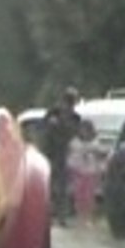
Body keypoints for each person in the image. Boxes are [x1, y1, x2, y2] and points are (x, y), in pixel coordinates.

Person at [41, 87, 82, 225]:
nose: (69, 104)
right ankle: (50, 215)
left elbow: (77, 135)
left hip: (66, 154)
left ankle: (61, 216)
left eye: (72, 101)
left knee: (62, 187)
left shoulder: (75, 118)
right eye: (68, 100)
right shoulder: (54, 113)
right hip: (52, 153)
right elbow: (44, 129)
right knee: (51, 185)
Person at [68, 119, 105, 228]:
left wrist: (96, 155)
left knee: (89, 196)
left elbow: (100, 155)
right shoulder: (74, 142)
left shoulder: (95, 142)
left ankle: (89, 218)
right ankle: (80, 217)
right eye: (82, 130)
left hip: (90, 171)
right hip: (77, 171)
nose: (84, 132)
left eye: (87, 130)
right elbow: (71, 156)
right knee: (79, 195)